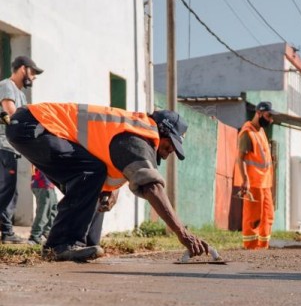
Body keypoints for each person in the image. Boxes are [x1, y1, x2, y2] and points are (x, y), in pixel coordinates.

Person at [5, 103, 208, 262]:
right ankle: (61, 244)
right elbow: (151, 186)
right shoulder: (138, 136)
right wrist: (182, 233)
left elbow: (107, 159)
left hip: (34, 126)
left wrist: (110, 191)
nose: (171, 149)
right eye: (171, 142)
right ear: (162, 131)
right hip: (33, 125)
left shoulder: (133, 133)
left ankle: (84, 243)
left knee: (94, 177)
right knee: (91, 172)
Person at [0, 55, 43, 243]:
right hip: (3, 146)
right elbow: (12, 114)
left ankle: (6, 231)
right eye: (32, 72)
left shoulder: (22, 94)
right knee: (6, 190)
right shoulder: (6, 86)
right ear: (22, 69)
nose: (33, 77)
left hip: (12, 148)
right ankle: (7, 232)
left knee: (10, 190)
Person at [234, 101, 275, 250]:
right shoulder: (247, 132)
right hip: (253, 183)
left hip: (265, 183)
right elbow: (241, 158)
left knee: (268, 216)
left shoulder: (260, 131)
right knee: (254, 217)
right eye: (268, 115)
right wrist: (245, 180)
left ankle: (262, 246)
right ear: (258, 113)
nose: (271, 119)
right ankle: (251, 247)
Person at [28, 167, 58, 245]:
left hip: (49, 184)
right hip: (42, 184)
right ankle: (35, 236)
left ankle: (47, 232)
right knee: (43, 212)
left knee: (53, 209)